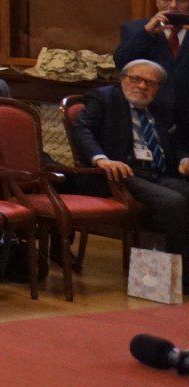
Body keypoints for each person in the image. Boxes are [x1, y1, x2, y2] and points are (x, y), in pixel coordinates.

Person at [74, 59, 189, 255]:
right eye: (136, 79)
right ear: (122, 79)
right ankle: (178, 274)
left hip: (158, 172)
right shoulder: (104, 97)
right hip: (121, 174)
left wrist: (183, 159)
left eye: (150, 83)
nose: (142, 86)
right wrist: (102, 159)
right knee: (174, 202)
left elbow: (176, 141)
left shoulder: (161, 106)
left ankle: (164, 266)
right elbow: (83, 129)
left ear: (157, 87)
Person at [114, 0, 189, 110]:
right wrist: (146, 33)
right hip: (150, 107)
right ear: (156, 1)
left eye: (181, 0)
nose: (172, 5)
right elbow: (122, 62)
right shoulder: (136, 29)